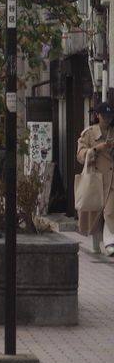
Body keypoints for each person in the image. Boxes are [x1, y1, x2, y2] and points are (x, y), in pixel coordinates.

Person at [76, 101, 114, 256]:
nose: (107, 119)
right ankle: (96, 243)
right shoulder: (89, 133)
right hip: (95, 179)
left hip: (112, 179)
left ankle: (110, 242)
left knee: (110, 212)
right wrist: (94, 150)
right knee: (94, 214)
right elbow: (80, 154)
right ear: (97, 115)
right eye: (104, 115)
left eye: (109, 116)